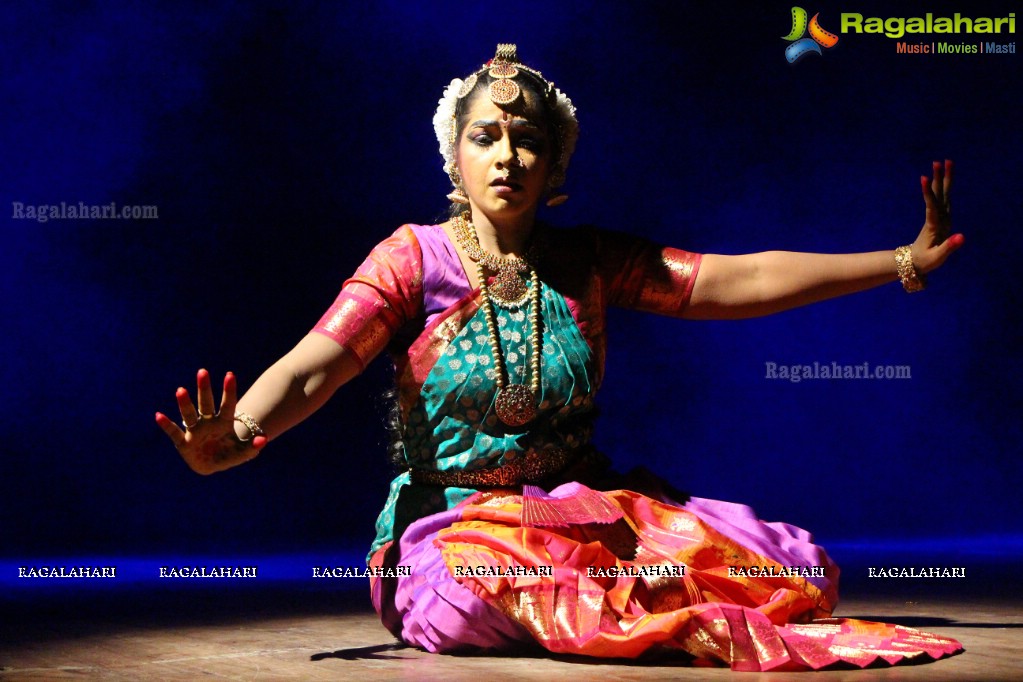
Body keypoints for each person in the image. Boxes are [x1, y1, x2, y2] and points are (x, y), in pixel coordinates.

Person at [156, 44, 964, 671]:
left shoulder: (588, 263)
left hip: (579, 513)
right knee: (475, 600)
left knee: (788, 571)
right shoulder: (412, 260)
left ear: (555, 166)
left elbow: (740, 277)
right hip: (452, 525)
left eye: (526, 140)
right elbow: (316, 364)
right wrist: (244, 433)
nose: (505, 155)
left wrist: (897, 260)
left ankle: (624, 606)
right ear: (456, 156)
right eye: (486, 137)